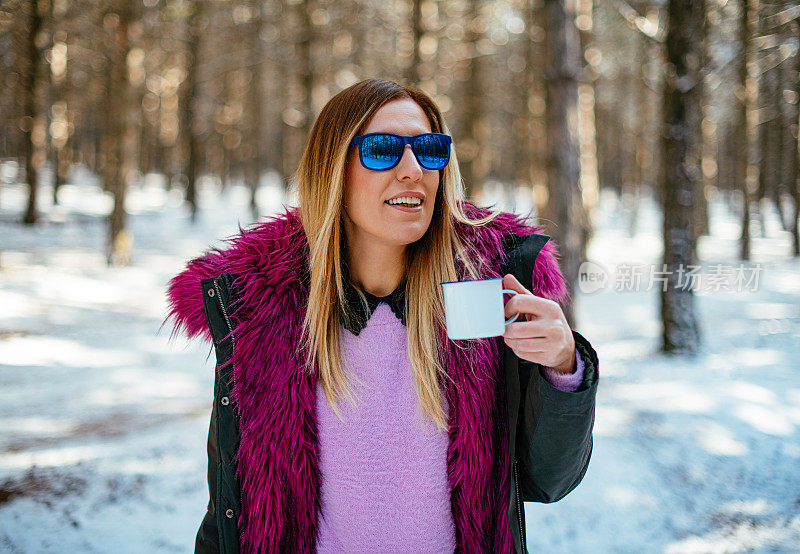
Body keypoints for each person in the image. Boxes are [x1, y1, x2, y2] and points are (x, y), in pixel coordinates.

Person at [163, 78, 599, 554]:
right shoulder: (263, 312)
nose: (412, 170)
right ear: (333, 169)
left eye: (430, 149)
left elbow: (547, 481)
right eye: (384, 149)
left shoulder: (489, 287)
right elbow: (232, 511)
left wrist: (561, 369)